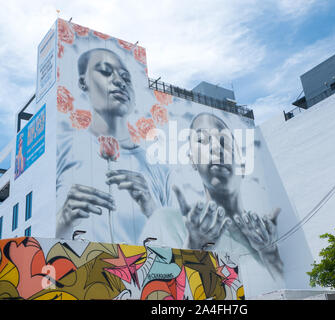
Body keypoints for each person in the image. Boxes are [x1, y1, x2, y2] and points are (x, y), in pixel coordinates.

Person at [139, 112, 284, 282]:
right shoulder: (165, 222)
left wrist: (269, 252)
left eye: (225, 142)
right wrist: (193, 246)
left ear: (243, 165)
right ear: (192, 159)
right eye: (201, 140)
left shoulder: (263, 233)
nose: (216, 147)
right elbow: (150, 288)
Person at [56, 48, 173, 243]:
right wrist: (63, 220)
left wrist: (152, 209)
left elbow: (179, 247)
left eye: (126, 78)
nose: (119, 81)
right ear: (83, 82)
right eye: (105, 71)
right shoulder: (64, 148)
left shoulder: (158, 168)